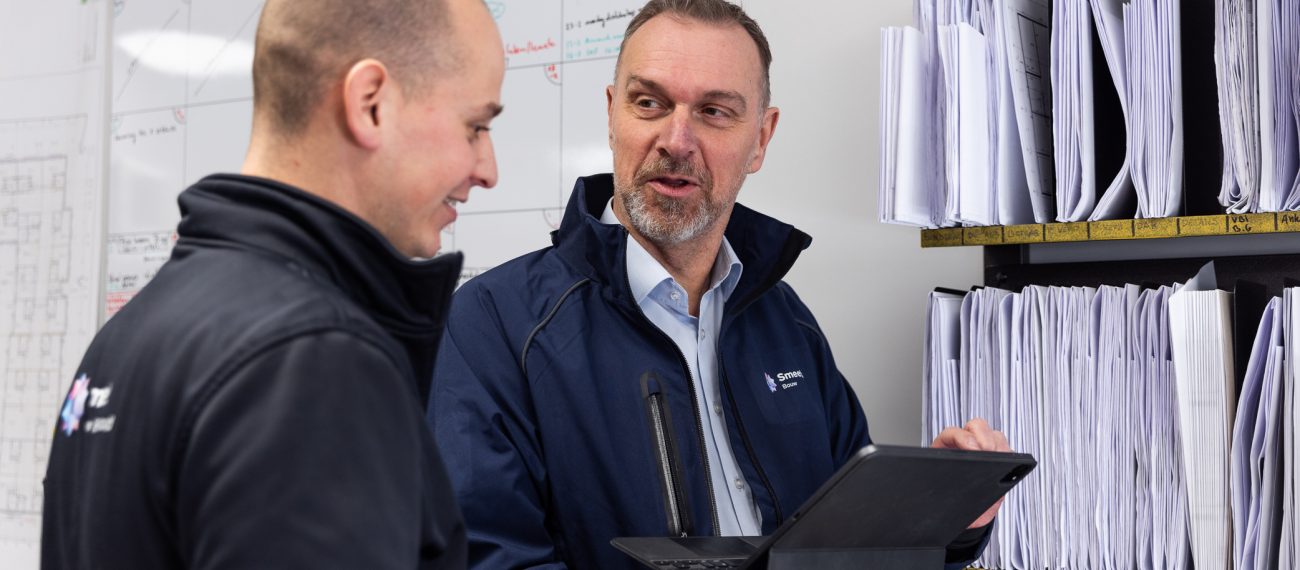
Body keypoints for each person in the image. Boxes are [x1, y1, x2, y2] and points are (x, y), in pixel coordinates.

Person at [428, 0, 1009, 569]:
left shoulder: (788, 323)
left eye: (714, 111)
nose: (676, 140)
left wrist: (943, 519)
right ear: (612, 115)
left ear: (761, 138)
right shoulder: (492, 326)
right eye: (649, 102)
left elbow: (850, 541)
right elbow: (486, 557)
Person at [41, 0, 503, 568]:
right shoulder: (312, 362)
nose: (488, 168)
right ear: (371, 104)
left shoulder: (132, 331)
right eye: (475, 126)